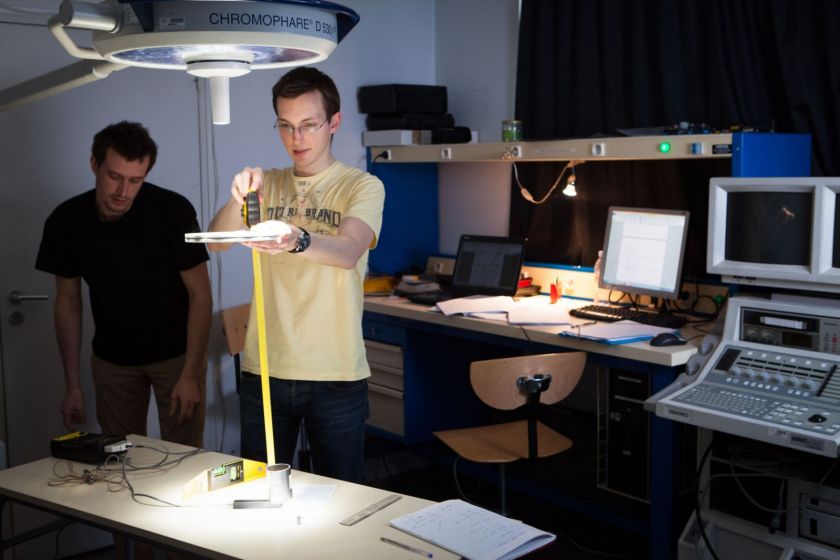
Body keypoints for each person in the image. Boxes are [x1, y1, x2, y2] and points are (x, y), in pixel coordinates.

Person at [208, 66, 385, 483]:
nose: (296, 139)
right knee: (258, 492)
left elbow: (347, 251)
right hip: (265, 370)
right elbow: (215, 242)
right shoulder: (266, 183)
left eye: (308, 125)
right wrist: (241, 195)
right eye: (285, 126)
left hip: (335, 373)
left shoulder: (363, 185)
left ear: (334, 122)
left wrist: (297, 239)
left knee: (340, 497)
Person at [36, 121, 212, 449]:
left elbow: (200, 295)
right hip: (112, 359)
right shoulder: (66, 221)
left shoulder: (172, 211)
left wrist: (190, 374)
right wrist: (72, 384)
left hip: (176, 356)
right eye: (114, 177)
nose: (123, 192)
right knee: (120, 458)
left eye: (135, 181)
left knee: (185, 458)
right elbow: (68, 303)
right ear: (94, 165)